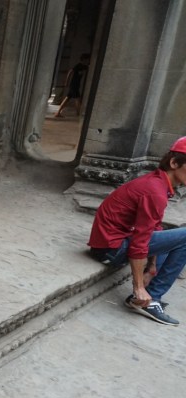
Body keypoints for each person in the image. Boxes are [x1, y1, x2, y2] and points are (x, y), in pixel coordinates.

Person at [88, 137, 186, 326]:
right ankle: (149, 298)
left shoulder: (158, 183)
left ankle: (151, 294)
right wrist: (138, 286)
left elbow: (153, 228)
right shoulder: (155, 191)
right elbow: (140, 242)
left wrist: (152, 267)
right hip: (110, 250)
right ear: (174, 163)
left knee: (172, 237)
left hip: (114, 243)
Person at [55, 53, 90, 118]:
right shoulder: (78, 66)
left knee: (67, 99)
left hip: (75, 85)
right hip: (74, 85)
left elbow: (88, 67)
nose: (88, 61)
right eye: (87, 60)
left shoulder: (84, 67)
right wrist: (67, 81)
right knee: (77, 99)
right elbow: (70, 71)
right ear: (84, 59)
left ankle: (58, 112)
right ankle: (79, 114)